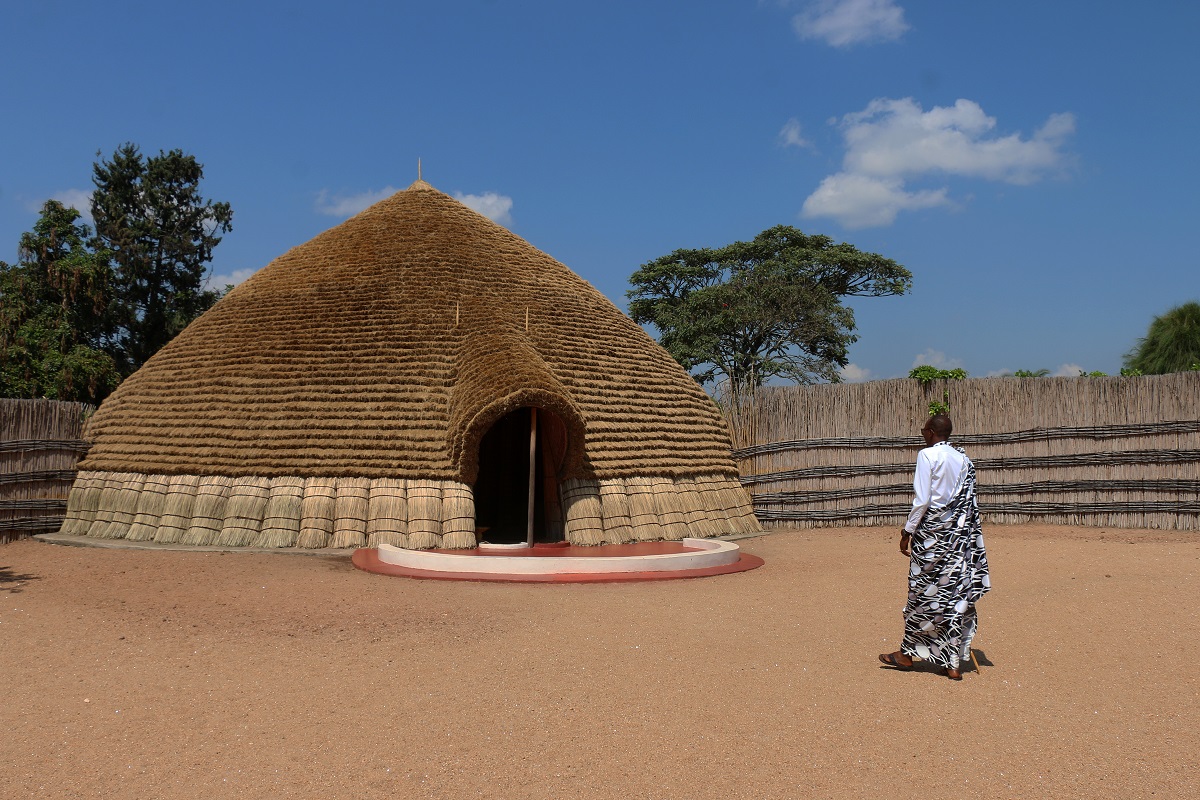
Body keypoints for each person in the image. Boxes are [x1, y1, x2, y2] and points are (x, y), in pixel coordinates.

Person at [878, 414, 990, 680]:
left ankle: (907, 654)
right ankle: (951, 663)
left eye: (923, 430)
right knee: (952, 597)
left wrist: (907, 530)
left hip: (932, 537)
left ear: (929, 432)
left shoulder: (927, 456)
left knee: (923, 595)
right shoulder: (964, 460)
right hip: (956, 538)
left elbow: (923, 499)